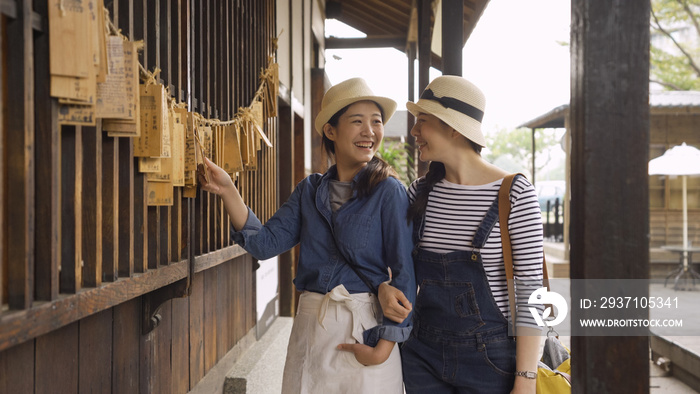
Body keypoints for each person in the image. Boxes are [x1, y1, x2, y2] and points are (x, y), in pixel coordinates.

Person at [198, 77, 416, 393]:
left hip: (365, 329)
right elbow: (264, 244)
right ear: (330, 130)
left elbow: (405, 276)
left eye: (376, 122)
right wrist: (228, 190)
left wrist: (383, 347)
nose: (369, 131)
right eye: (357, 122)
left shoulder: (389, 191)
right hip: (312, 328)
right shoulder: (309, 190)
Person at [378, 75, 544, 394]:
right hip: (421, 355)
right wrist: (385, 287)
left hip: (493, 361)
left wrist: (525, 378)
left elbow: (530, 293)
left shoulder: (514, 194)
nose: (414, 132)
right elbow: (397, 267)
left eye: (421, 122)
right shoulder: (418, 193)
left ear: (452, 128)